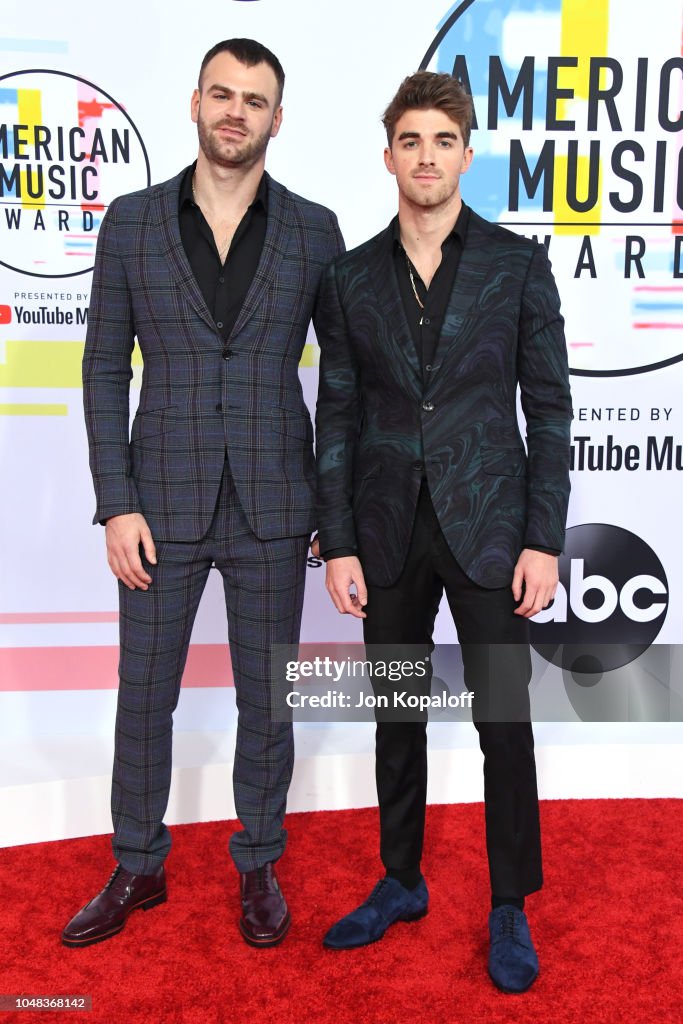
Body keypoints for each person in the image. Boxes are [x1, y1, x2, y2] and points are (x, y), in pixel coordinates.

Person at [62, 37, 343, 950]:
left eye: (254, 100)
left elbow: (343, 385)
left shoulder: (313, 230)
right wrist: (116, 501)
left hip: (274, 505)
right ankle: (137, 863)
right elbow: (105, 368)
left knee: (269, 699)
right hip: (159, 506)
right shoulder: (132, 222)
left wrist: (330, 513)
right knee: (144, 693)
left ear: (276, 117)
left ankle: (258, 858)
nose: (236, 112)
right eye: (222, 94)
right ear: (194, 102)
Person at [314, 71, 571, 992]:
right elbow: (336, 413)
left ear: (467, 154)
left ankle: (510, 902)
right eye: (410, 141)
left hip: (492, 530)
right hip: (384, 534)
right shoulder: (346, 278)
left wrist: (542, 537)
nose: (426, 157)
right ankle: (399, 879)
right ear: (389, 155)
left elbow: (548, 408)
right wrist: (336, 538)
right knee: (396, 716)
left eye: (443, 141)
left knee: (504, 720)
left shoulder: (515, 265)